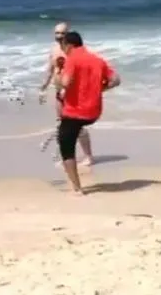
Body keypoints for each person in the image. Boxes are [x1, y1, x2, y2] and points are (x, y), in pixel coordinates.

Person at [57, 31, 120, 195]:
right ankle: (86, 159)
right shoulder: (97, 60)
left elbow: (65, 83)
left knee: (65, 145)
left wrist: (59, 78)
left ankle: (77, 188)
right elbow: (116, 80)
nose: (62, 48)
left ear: (69, 45)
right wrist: (99, 90)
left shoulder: (72, 59)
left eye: (62, 45)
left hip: (74, 113)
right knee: (75, 130)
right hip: (93, 113)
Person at [39, 22, 95, 165]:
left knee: (77, 126)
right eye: (57, 33)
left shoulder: (73, 51)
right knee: (62, 125)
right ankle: (67, 156)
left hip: (73, 94)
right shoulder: (53, 50)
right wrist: (44, 86)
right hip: (59, 92)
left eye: (62, 33)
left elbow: (80, 71)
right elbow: (50, 69)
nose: (59, 36)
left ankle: (88, 156)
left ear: (68, 34)